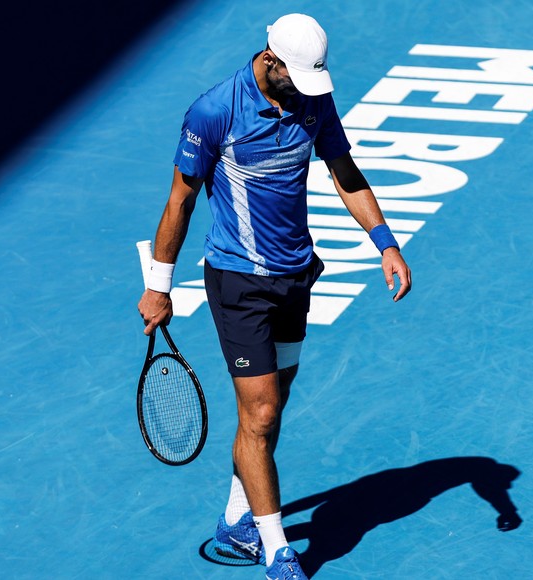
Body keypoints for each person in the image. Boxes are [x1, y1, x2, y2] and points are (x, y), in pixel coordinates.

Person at [137, 13, 411, 580]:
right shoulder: (214, 111)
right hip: (239, 282)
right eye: (298, 77)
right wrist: (159, 287)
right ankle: (278, 550)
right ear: (270, 61)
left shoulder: (312, 99)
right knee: (259, 414)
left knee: (271, 408)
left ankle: (238, 519)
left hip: (295, 277)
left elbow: (344, 171)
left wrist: (385, 242)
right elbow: (179, 203)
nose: (308, 90)